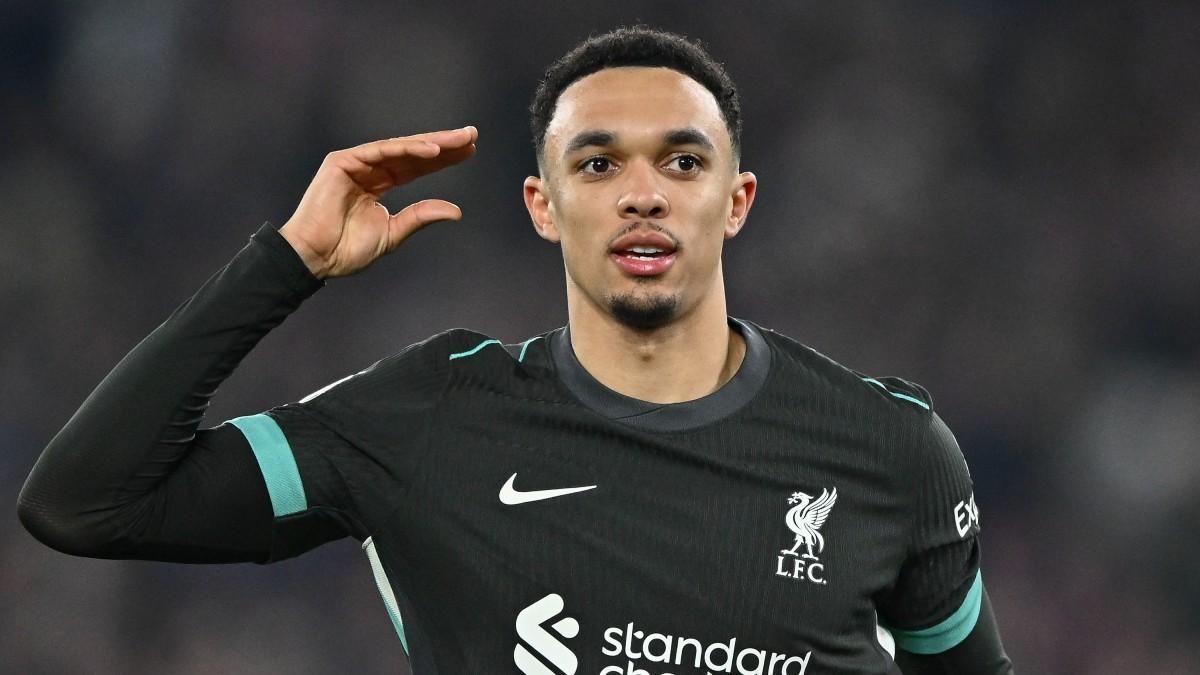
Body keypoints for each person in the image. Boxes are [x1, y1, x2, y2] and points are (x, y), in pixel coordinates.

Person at [18, 26, 1013, 674]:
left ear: (735, 201)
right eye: (597, 163)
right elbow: (84, 501)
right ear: (543, 207)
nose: (642, 193)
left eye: (682, 160)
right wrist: (286, 263)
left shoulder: (890, 451)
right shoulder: (426, 422)